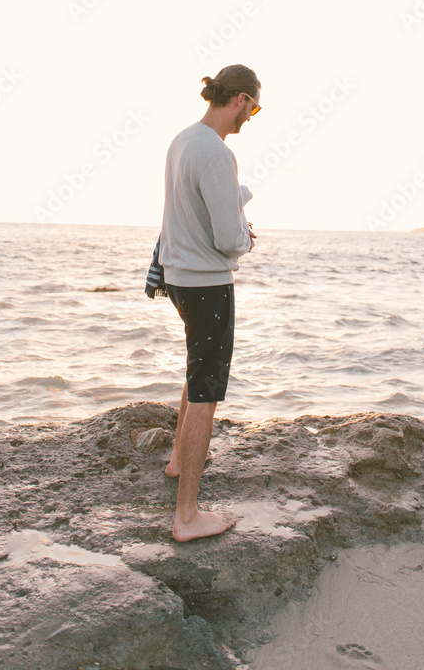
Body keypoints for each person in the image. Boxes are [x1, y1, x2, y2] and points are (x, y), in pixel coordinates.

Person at [159, 64, 261, 541]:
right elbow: (227, 238)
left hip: (178, 276)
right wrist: (246, 238)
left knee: (194, 370)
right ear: (239, 98)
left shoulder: (183, 140)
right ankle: (186, 517)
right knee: (206, 393)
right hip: (207, 284)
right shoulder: (218, 153)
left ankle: (179, 460)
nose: (251, 117)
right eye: (253, 107)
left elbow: (191, 207)